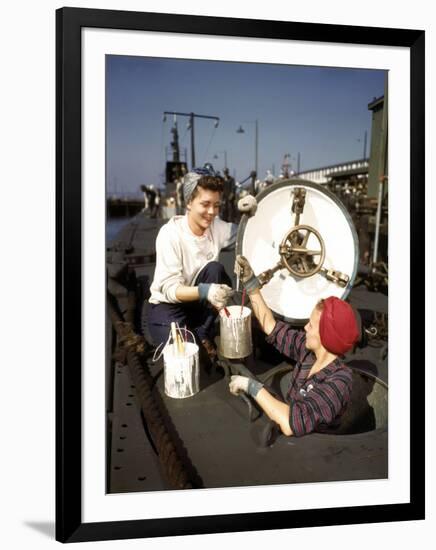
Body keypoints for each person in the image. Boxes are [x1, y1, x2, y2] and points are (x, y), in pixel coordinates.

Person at [230, 255, 359, 437]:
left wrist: (252, 387)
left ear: (326, 337)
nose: (305, 327)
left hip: (315, 454)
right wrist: (251, 286)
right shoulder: (308, 352)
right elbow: (271, 327)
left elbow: (293, 423)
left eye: (311, 325)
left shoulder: (339, 382)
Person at [147, 167, 257, 360]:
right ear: (189, 202)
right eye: (205, 204)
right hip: (168, 307)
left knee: (215, 269)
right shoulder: (170, 234)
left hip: (196, 305)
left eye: (216, 205)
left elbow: (246, 234)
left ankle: (201, 330)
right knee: (184, 356)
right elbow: (170, 290)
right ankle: (191, 333)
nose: (211, 212)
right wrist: (207, 291)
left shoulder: (217, 227)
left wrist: (252, 213)